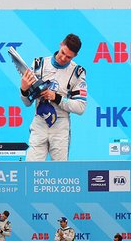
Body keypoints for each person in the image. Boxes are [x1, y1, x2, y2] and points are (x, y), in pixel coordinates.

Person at [19, 33, 87, 161]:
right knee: (32, 168)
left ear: (75, 56)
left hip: (60, 125)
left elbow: (80, 107)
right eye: (62, 53)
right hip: (40, 121)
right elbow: (27, 103)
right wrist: (23, 89)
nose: (63, 58)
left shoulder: (77, 72)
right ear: (61, 44)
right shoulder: (39, 64)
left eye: (68, 57)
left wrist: (56, 97)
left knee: (61, 171)